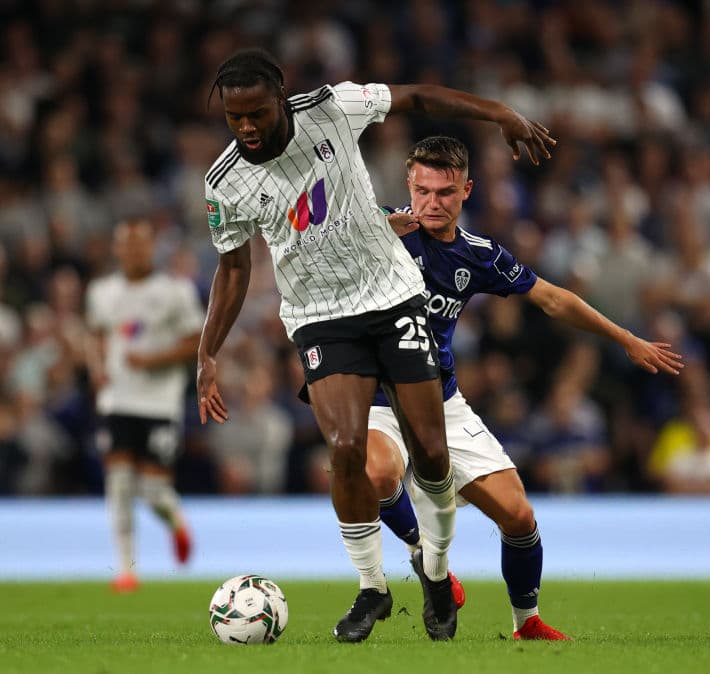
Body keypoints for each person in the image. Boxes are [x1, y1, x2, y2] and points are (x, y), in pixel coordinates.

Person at [197, 49, 555, 642]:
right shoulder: (224, 180)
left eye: (256, 113)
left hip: (392, 298)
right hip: (319, 318)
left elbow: (414, 96)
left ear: (281, 96)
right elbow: (232, 270)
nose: (247, 128)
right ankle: (373, 589)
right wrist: (208, 353)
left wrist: (497, 113)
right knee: (345, 449)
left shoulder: (333, 109)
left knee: (433, 455)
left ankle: (436, 573)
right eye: (234, 119)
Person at [368, 136, 683, 640]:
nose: (431, 202)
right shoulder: (377, 228)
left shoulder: (478, 255)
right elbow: (314, 233)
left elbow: (554, 300)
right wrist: (374, 228)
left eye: (445, 192)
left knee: (518, 515)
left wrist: (625, 338)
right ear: (409, 184)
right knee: (378, 471)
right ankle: (427, 558)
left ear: (466, 190)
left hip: (442, 401)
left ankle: (526, 623)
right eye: (422, 190)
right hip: (377, 399)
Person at [85, 217, 203, 593]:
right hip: (117, 399)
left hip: (159, 403)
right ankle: (126, 570)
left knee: (152, 491)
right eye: (126, 244)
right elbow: (95, 335)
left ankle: (176, 522)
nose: (133, 251)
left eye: (140, 243)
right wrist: (97, 369)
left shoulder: (175, 291)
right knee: (119, 483)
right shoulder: (102, 291)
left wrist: (153, 360)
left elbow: (195, 342)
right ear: (117, 249)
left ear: (152, 247)